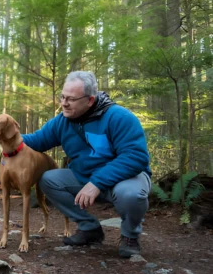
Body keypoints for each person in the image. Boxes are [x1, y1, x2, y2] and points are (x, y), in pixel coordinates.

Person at [22, 71, 152, 258]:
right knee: (49, 179)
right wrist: (7, 134)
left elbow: (136, 157)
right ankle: (89, 228)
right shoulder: (63, 121)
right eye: (63, 97)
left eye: (71, 99)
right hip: (85, 176)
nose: (64, 103)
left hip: (125, 179)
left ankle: (130, 236)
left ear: (90, 100)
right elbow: (37, 140)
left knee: (131, 195)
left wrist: (97, 183)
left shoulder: (120, 117)